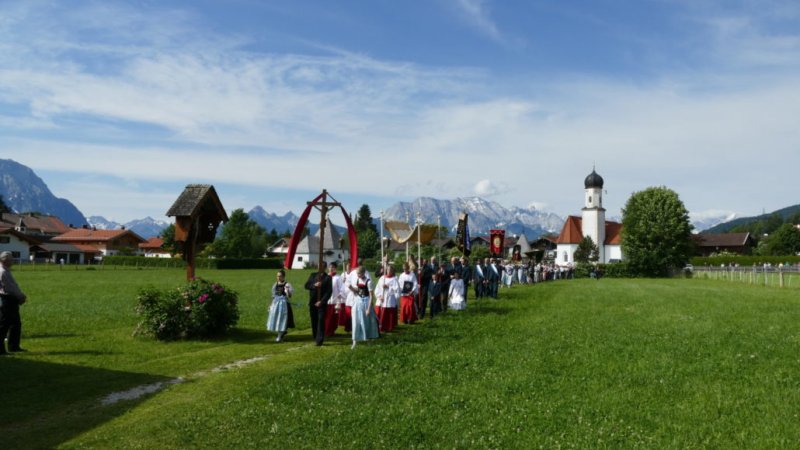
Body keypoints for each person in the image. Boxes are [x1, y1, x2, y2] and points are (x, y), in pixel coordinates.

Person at [0, 251, 27, 355]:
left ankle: (14, 346)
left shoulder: (5, 270)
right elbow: (10, 288)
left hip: (10, 299)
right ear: (5, 260)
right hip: (8, 299)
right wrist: (20, 296)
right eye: (11, 259)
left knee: (15, 324)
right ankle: (2, 349)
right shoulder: (3, 272)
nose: (13, 261)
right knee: (4, 325)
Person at [349, 266, 379, 349]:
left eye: (359, 273)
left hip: (365, 303)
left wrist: (368, 309)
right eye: (357, 273)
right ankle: (354, 341)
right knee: (356, 322)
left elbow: (371, 296)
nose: (358, 275)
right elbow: (357, 291)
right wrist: (350, 287)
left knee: (366, 322)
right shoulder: (358, 280)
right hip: (357, 302)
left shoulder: (368, 282)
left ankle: (368, 340)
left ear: (363, 273)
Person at [266, 269, 295, 343]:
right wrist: (270, 305)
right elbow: (273, 296)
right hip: (276, 304)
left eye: (280, 276)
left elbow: (290, 296)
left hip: (284, 304)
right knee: (277, 318)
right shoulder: (275, 285)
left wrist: (287, 290)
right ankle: (281, 332)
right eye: (277, 276)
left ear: (284, 276)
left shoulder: (287, 284)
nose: (278, 278)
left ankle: (280, 334)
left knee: (283, 319)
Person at [305, 268, 332, 346]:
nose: (319, 267)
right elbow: (306, 285)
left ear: (324, 267)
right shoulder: (313, 275)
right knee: (314, 320)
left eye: (321, 266)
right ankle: (315, 336)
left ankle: (319, 340)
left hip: (322, 303)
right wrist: (314, 285)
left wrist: (322, 301)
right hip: (312, 302)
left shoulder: (328, 278)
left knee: (320, 320)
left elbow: (329, 291)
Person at [374, 265, 400, 332]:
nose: (389, 271)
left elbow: (397, 290)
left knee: (389, 313)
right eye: (388, 270)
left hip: (389, 299)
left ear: (392, 271)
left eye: (390, 270)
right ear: (386, 270)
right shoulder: (382, 278)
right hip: (382, 298)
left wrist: (388, 287)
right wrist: (379, 296)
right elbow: (377, 288)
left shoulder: (394, 279)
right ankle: (380, 326)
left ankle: (389, 327)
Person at [325, 262, 345, 337]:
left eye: (333, 267)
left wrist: (340, 294)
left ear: (335, 268)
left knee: (332, 317)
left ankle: (331, 331)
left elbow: (342, 288)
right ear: (328, 268)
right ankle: (325, 330)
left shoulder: (338, 277)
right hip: (326, 300)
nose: (331, 268)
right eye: (330, 267)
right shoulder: (325, 276)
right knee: (326, 317)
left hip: (334, 300)